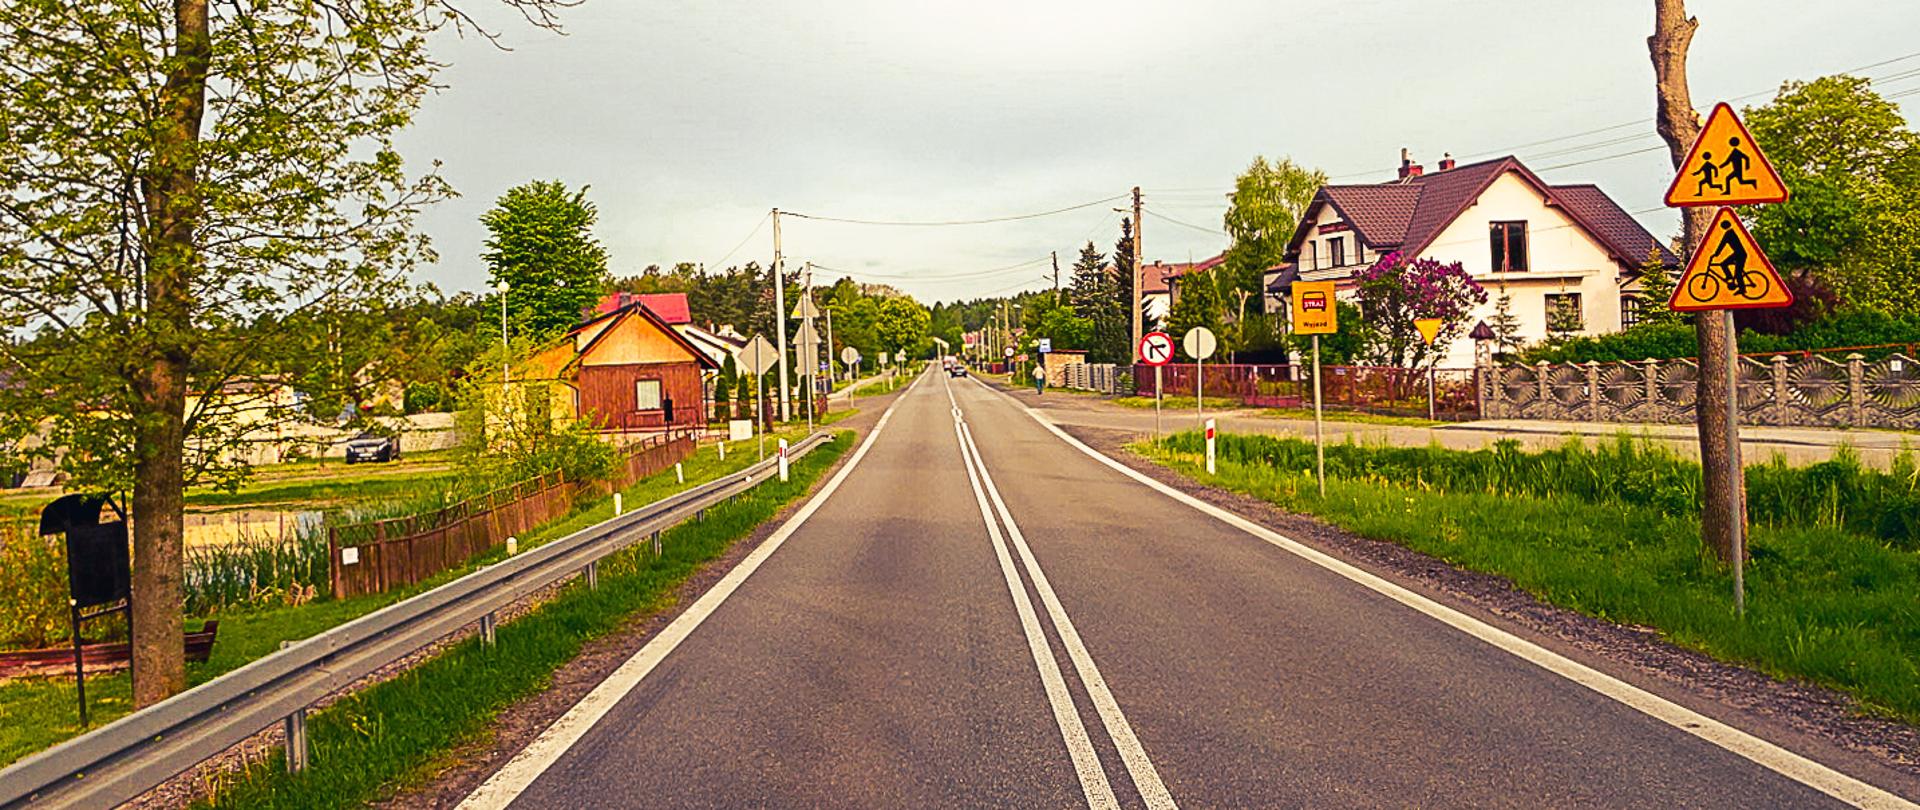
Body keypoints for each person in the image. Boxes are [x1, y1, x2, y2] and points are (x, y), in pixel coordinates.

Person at [1708, 219, 1749, 296]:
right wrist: (1716, 254)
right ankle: (1729, 277)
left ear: (1724, 226)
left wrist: (1716, 254)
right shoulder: (1730, 232)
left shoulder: (1729, 233)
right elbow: (1722, 244)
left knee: (1737, 273)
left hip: (1740, 255)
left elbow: (1722, 244)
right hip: (1737, 254)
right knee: (1723, 264)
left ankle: (1742, 289)